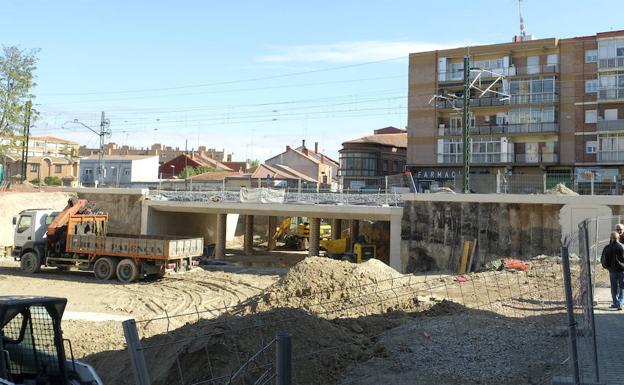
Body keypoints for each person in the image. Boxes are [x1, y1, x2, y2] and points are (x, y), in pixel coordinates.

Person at [601, 231, 624, 310]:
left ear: (611, 238)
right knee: (622, 287)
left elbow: (603, 260)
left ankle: (616, 303)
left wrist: (607, 267)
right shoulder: (623, 247)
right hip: (622, 270)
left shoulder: (607, 247)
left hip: (612, 270)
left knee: (613, 287)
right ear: (618, 238)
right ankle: (620, 303)